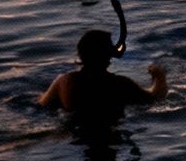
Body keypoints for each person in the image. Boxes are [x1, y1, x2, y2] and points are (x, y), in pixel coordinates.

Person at [38, 30, 166, 124]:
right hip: (110, 132)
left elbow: (42, 104)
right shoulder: (120, 84)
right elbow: (156, 98)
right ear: (106, 54)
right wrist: (159, 76)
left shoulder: (63, 81)